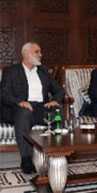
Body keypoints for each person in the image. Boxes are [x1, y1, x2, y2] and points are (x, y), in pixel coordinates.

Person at [1, 42, 64, 174]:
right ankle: (26, 159)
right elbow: (4, 95)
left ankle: (57, 154)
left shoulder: (43, 72)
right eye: (37, 52)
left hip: (40, 108)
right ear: (26, 53)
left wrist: (55, 100)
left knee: (56, 112)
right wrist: (20, 102)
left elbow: (59, 90)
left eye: (40, 52)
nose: (40, 55)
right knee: (25, 114)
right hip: (17, 109)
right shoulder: (11, 71)